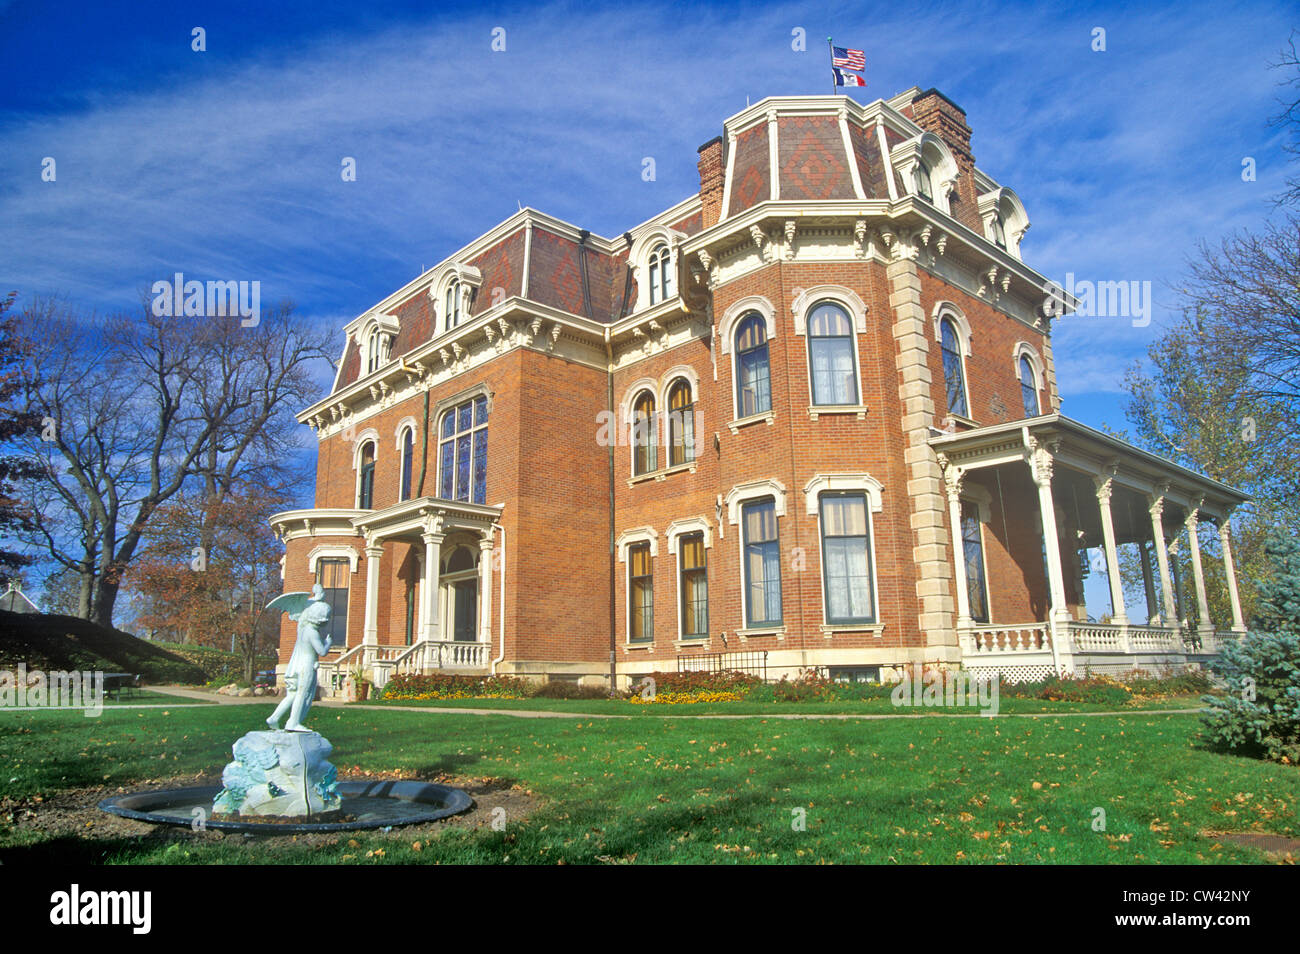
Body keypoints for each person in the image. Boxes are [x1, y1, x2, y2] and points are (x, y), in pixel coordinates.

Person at [266, 584, 332, 732]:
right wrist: (328, 643)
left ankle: (274, 718)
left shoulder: (303, 627)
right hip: (306, 666)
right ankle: (293, 722)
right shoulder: (312, 632)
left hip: (296, 663)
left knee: (293, 694)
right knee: (303, 693)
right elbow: (322, 652)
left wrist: (316, 597)